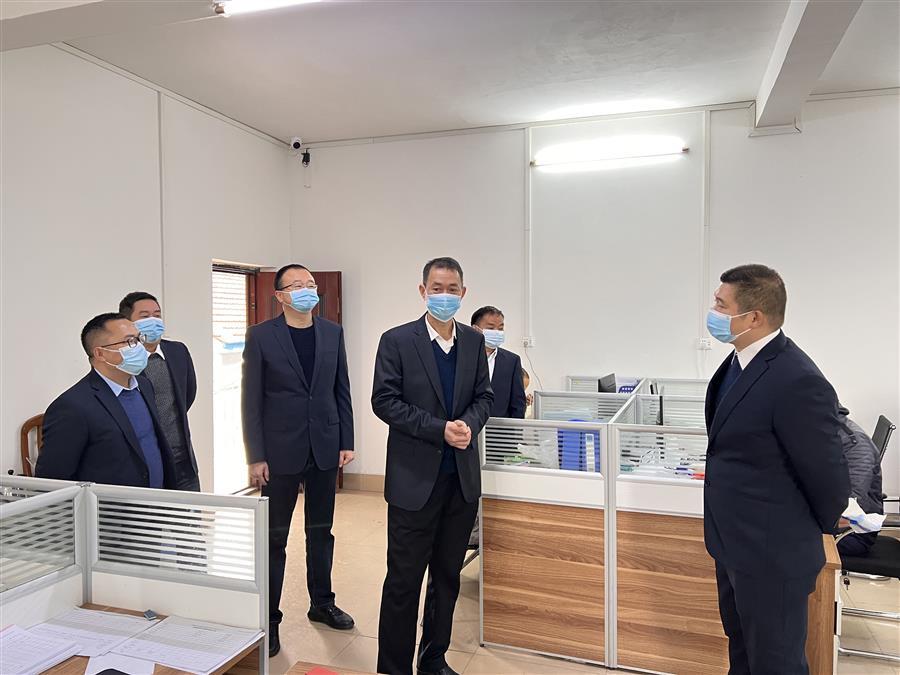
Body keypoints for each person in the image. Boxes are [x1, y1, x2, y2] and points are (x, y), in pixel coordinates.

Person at [704, 264, 849, 675]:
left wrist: (810, 530)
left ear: (753, 317)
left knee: (776, 662)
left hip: (773, 552)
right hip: (733, 544)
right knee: (743, 652)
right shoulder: (739, 363)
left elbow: (826, 473)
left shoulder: (796, 378)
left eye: (721, 305)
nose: (713, 312)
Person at [372, 257, 493, 675]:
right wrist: (439, 429)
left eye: (452, 289)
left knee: (446, 577)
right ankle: (393, 668)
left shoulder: (474, 342)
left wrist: (468, 425)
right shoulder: (397, 341)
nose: (445, 295)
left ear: (463, 293)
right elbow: (384, 401)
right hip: (414, 482)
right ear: (423, 291)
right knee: (404, 581)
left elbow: (484, 397)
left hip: (460, 482)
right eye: (436, 288)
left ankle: (433, 659)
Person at [242, 264, 355, 658]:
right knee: (275, 538)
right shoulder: (261, 336)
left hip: (324, 445)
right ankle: (269, 619)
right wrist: (255, 455)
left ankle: (322, 603)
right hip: (279, 452)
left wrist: (346, 440)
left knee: (321, 532)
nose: (307, 290)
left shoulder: (332, 332)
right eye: (297, 285)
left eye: (311, 284)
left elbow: (342, 389)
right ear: (280, 296)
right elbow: (251, 399)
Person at [36, 313, 177, 488]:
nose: (140, 347)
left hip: (157, 500)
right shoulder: (72, 407)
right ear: (100, 353)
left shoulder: (144, 385)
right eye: (130, 341)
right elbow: (52, 479)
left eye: (139, 339)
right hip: (109, 505)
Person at [119, 291, 200, 491]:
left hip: (183, 459)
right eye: (145, 316)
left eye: (157, 315)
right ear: (128, 323)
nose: (153, 321)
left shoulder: (177, 351)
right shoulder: (123, 360)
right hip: (147, 464)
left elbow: (188, 395)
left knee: (190, 510)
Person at [836, 405, 883, 557]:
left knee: (777, 539)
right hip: (833, 523)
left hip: (852, 533)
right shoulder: (824, 434)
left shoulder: (854, 444)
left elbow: (849, 507)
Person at [470, 306, 526, 419]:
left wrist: (516, 428)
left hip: (500, 426)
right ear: (475, 329)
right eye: (490, 328)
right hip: (465, 425)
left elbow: (518, 403)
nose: (497, 332)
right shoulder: (461, 356)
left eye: (500, 328)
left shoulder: (512, 361)